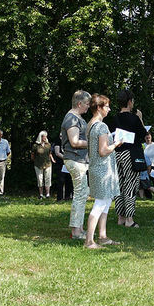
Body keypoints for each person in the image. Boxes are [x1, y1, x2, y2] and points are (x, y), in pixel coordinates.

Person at [85, 94, 124, 248]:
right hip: (102, 169)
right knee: (100, 204)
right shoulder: (102, 126)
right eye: (107, 106)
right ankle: (89, 241)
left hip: (98, 169)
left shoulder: (91, 124)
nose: (109, 109)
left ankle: (102, 236)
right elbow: (103, 150)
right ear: (99, 108)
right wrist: (116, 144)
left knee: (106, 202)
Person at [61, 90, 92, 240]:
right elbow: (74, 142)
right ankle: (76, 231)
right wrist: (93, 143)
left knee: (82, 194)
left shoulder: (77, 117)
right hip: (74, 160)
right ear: (79, 103)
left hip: (80, 161)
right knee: (80, 194)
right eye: (87, 104)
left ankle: (79, 228)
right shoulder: (71, 118)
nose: (88, 107)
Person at [113, 89, 146, 227]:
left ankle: (120, 217)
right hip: (130, 154)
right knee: (131, 185)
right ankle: (129, 219)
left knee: (119, 185)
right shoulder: (134, 118)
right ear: (129, 102)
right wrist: (141, 118)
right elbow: (144, 134)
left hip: (117, 154)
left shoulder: (114, 118)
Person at [31, 131, 54, 198]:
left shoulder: (48, 145)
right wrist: (35, 161)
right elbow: (32, 155)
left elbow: (50, 154)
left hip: (48, 164)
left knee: (48, 178)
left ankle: (47, 194)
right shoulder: (35, 145)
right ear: (41, 137)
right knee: (40, 179)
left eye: (46, 136)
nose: (45, 137)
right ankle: (41, 194)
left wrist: (52, 160)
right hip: (38, 165)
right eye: (44, 136)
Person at [140, 132, 154, 199]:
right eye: (146, 136)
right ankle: (149, 197)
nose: (147, 137)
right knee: (146, 183)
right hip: (145, 167)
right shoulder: (142, 145)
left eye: (149, 135)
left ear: (151, 136)